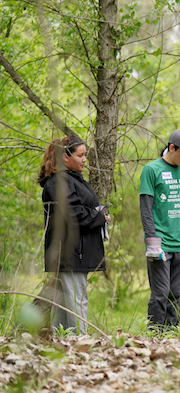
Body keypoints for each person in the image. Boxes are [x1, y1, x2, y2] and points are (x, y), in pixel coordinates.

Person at [38, 135, 110, 334]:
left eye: (85, 155)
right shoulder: (57, 183)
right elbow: (72, 214)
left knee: (64, 305)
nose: (85, 159)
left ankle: (64, 346)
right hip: (71, 253)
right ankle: (81, 345)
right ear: (65, 157)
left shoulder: (71, 179)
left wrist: (98, 213)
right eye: (81, 155)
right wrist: (100, 216)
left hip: (77, 252)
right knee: (77, 301)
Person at [139, 129, 180, 329]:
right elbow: (146, 209)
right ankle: (155, 335)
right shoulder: (152, 170)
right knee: (160, 294)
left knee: (177, 293)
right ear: (172, 148)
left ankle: (172, 334)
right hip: (161, 244)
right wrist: (152, 242)